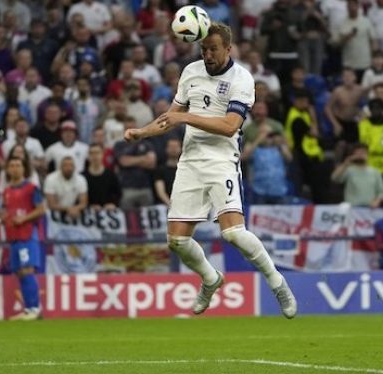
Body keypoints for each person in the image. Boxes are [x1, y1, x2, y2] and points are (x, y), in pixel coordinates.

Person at [124, 22, 297, 319]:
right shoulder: (191, 72)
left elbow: (230, 126)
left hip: (221, 161)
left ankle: (277, 282)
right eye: (204, 49)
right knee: (176, 240)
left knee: (233, 233)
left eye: (213, 49)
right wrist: (143, 132)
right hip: (190, 161)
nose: (208, 55)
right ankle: (210, 277)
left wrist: (185, 118)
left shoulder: (242, 79)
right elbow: (171, 117)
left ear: (228, 49)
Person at [0, 156, 46, 320]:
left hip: (27, 235)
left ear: (23, 168)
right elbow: (6, 212)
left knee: (27, 270)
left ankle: (34, 308)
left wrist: (24, 218)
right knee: (20, 272)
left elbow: (41, 209)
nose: (15, 168)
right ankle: (28, 309)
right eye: (11, 165)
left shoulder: (32, 188)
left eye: (18, 165)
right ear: (8, 169)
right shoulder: (6, 191)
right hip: (13, 237)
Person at [359, 98, 383, 192]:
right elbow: (364, 142)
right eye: (373, 109)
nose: (376, 111)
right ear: (370, 111)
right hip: (372, 166)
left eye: (378, 108)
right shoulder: (364, 124)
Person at [83, 143, 120, 210]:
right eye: (91, 153)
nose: (95, 156)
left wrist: (113, 204)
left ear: (102, 154)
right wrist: (89, 206)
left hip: (109, 211)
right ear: (88, 156)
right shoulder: (82, 176)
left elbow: (118, 193)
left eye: (97, 153)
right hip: (89, 212)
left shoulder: (111, 174)